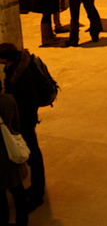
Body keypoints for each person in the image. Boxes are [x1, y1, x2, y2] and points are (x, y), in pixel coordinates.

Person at [0, 43, 48, 212]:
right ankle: (36, 188)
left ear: (5, 59)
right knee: (32, 155)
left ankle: (37, 194)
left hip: (25, 121)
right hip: (24, 119)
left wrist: (20, 121)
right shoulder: (19, 65)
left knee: (32, 155)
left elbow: (29, 100)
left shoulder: (21, 75)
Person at [0, 88, 28, 226]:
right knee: (18, 190)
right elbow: (17, 124)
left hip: (1, 157)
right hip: (11, 150)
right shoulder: (9, 100)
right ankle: (22, 221)